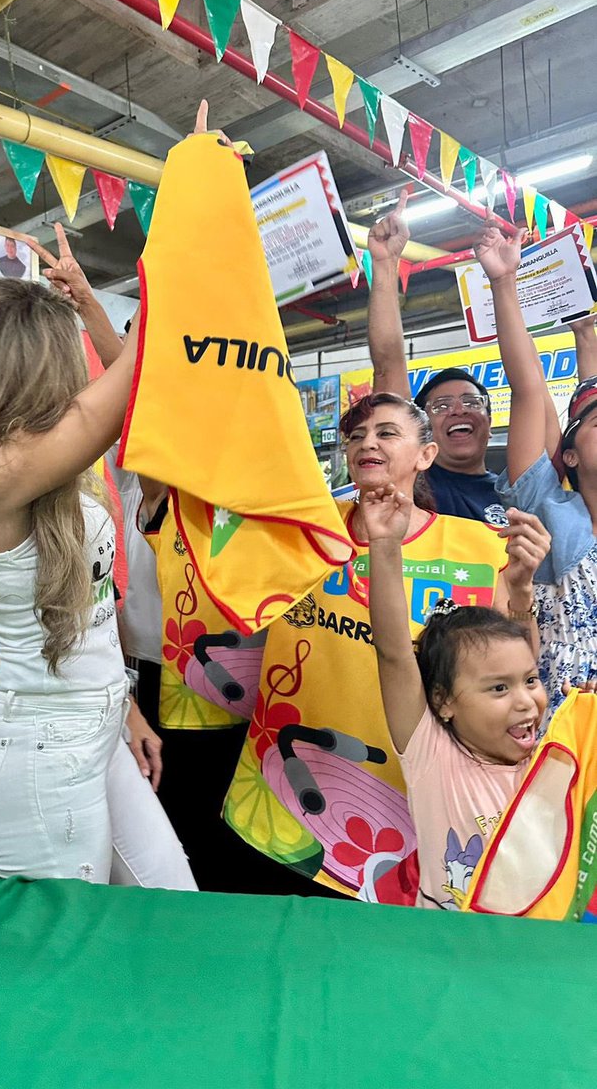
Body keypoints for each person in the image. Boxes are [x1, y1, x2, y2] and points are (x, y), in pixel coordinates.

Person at [0, 215, 196, 889]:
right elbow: (143, 367)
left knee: (173, 906)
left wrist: (125, 709)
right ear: (33, 366)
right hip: (38, 755)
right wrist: (190, 215)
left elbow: (86, 625)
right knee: (65, 962)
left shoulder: (22, 464)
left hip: (91, 732)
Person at [223, 391, 549, 902]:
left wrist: (524, 590)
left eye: (386, 433)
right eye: (356, 436)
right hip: (280, 803)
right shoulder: (302, 528)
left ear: (426, 455)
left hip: (411, 823)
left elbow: (518, 666)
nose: (367, 442)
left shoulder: (482, 548)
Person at [362, 480, 546, 909]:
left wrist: (520, 593)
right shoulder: (431, 756)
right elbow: (392, 653)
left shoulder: (551, 760)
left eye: (531, 682)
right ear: (444, 701)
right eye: (498, 688)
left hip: (530, 953)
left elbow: (521, 655)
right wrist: (386, 545)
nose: (524, 701)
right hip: (445, 953)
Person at [366, 191, 562, 526]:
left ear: (488, 419)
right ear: (421, 433)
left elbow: (528, 387)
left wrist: (503, 281)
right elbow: (387, 366)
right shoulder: (411, 482)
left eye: (472, 402)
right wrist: (385, 266)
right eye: (441, 406)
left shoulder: (521, 491)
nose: (459, 410)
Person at [485, 215, 597, 719]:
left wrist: (587, 336)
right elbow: (530, 389)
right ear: (569, 456)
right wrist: (504, 282)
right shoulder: (549, 513)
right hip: (562, 736)